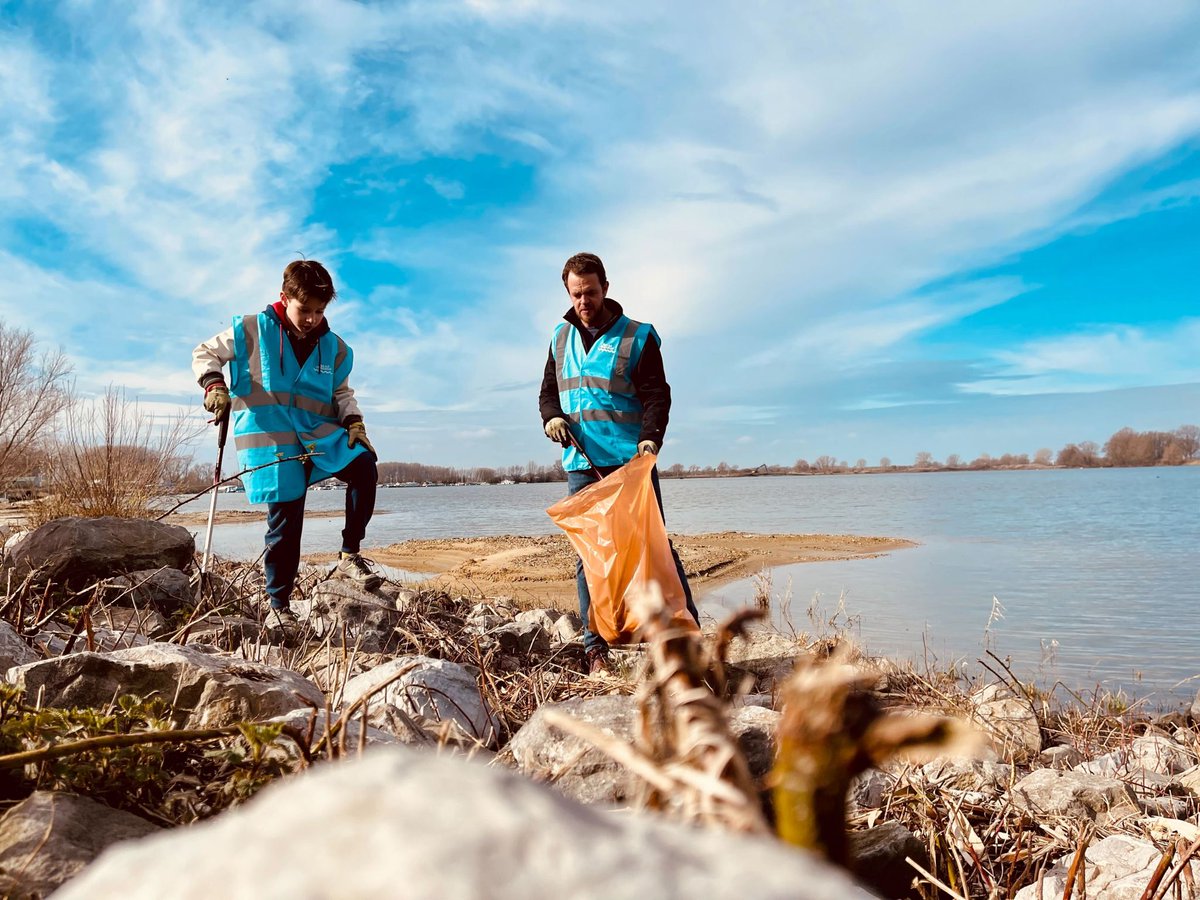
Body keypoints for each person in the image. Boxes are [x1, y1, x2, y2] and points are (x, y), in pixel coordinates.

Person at [192, 259, 381, 639]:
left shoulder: (336, 349)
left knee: (364, 464)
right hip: (273, 439)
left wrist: (354, 421)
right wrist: (214, 385)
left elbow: (342, 393)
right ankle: (278, 606)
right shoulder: (249, 330)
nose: (311, 318)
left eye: (319, 311)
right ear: (284, 297)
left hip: (319, 434)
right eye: (304, 309)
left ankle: (349, 555)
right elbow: (205, 353)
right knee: (286, 521)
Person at [539, 252, 700, 674]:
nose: (584, 302)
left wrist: (650, 440)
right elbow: (547, 394)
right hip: (581, 463)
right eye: (576, 295)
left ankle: (685, 642)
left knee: (654, 549)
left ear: (606, 288)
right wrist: (551, 417)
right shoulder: (559, 338)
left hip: (631, 465)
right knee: (589, 557)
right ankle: (595, 650)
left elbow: (656, 396)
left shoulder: (637, 337)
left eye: (590, 292)